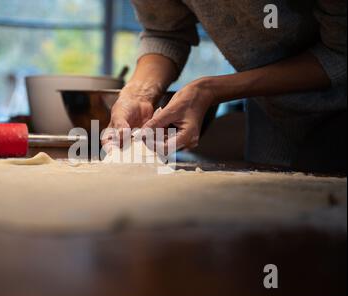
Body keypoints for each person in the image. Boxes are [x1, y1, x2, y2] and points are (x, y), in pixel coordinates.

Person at [102, 0, 347, 173]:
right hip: (269, 118)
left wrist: (209, 90)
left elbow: (340, 51)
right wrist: (137, 93)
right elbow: (164, 30)